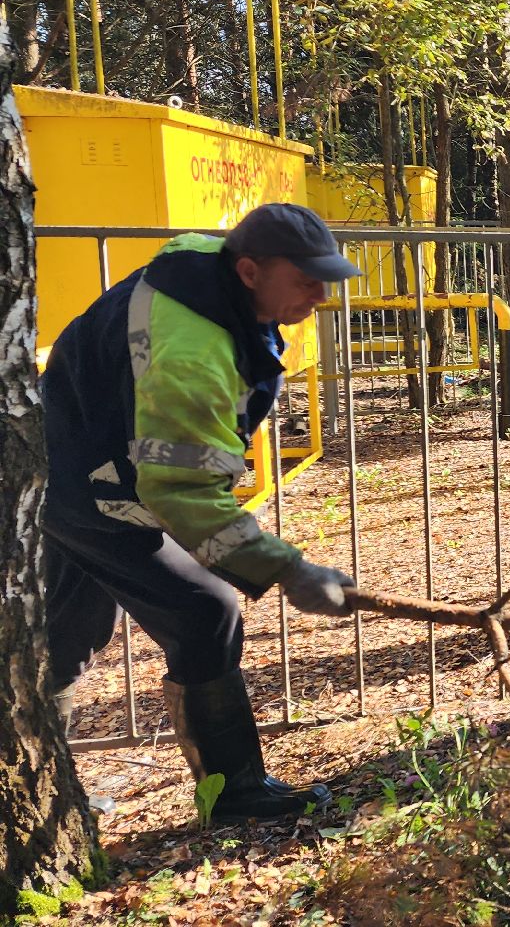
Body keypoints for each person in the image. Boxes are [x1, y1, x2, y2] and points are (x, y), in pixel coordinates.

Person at [38, 202, 360, 819]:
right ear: (248, 270)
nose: (320, 296)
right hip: (90, 485)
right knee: (206, 610)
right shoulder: (192, 354)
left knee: (65, 631)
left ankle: (35, 786)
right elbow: (180, 492)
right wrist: (288, 570)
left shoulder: (204, 272)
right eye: (305, 280)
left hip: (64, 456)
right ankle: (233, 793)